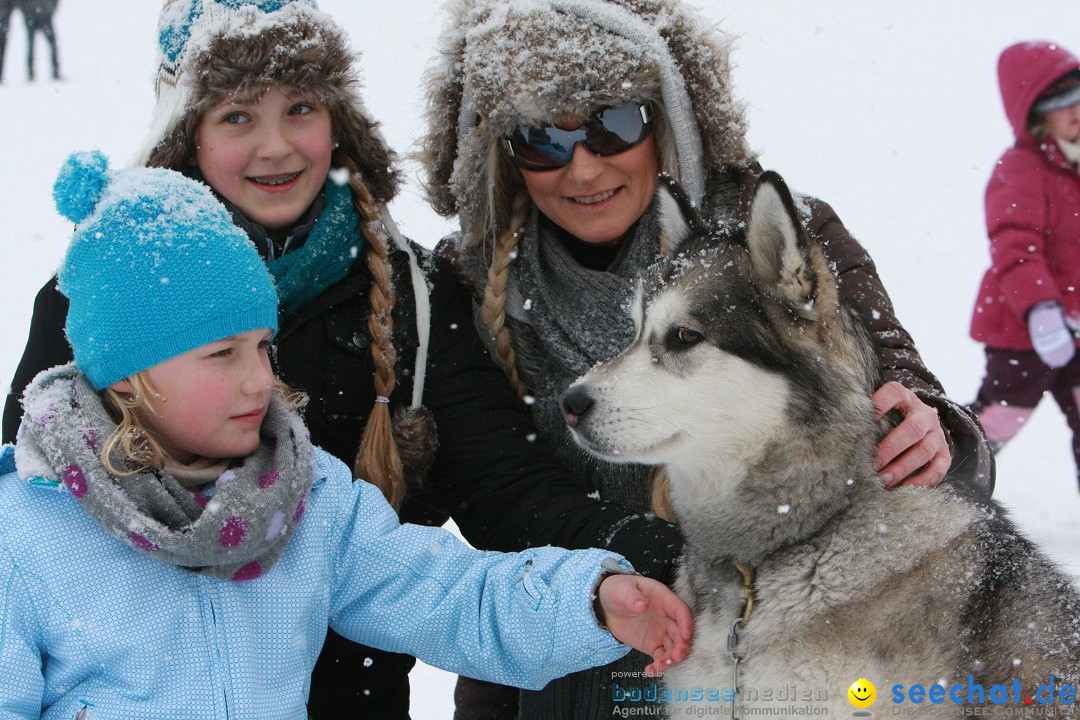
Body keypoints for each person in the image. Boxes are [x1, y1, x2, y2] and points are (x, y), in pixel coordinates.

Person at [0, 1, 688, 718]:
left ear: (339, 123)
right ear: (189, 135)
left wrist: (618, 564)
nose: (277, 147)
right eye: (237, 116)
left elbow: (491, 510)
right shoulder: (99, 304)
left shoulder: (402, 313)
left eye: (301, 107)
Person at [417, 0, 995, 716]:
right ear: (500, 150)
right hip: (554, 671)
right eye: (542, 139)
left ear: (670, 114)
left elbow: (887, 377)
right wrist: (654, 562)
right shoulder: (466, 281)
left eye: (613, 124)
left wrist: (933, 430)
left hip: (774, 668)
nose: (583, 166)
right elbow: (497, 491)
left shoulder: (776, 240)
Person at [970, 41, 1080, 485]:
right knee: (1000, 418)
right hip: (1022, 330)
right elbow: (1014, 247)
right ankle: (940, 488)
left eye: (1078, 98)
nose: (1073, 111)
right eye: (1058, 103)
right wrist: (1041, 309)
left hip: (1076, 327)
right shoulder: (1021, 169)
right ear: (1034, 116)